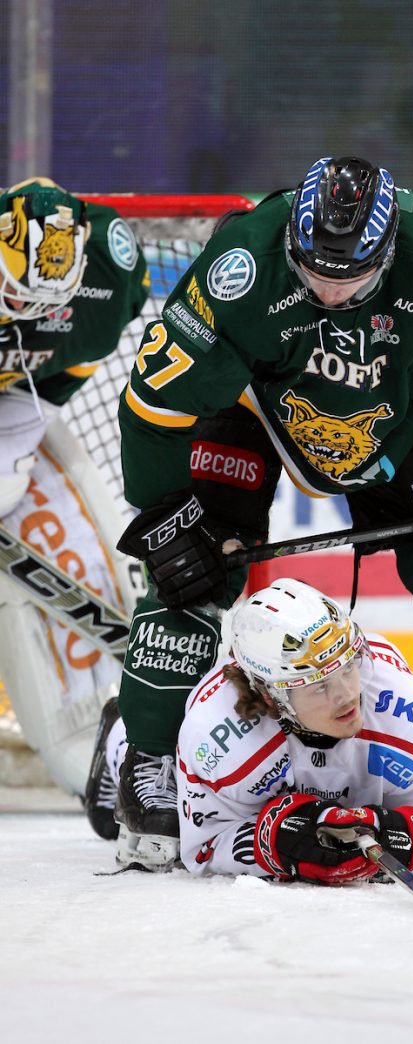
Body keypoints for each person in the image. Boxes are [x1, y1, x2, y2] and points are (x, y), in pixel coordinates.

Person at [113, 156, 413, 870]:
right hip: (250, 408)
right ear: (292, 241)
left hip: (392, 417)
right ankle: (147, 762)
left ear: (390, 250)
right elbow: (153, 405)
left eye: (352, 275)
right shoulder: (243, 266)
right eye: (314, 270)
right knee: (192, 569)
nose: (331, 289)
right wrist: (165, 518)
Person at [88, 578, 413, 878]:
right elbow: (200, 849)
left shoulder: (411, 713)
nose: (347, 696)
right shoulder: (217, 737)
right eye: (320, 685)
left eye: (349, 666)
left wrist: (401, 834)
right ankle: (118, 736)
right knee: (164, 834)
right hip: (225, 759)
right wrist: (273, 841)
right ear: (270, 697)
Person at [0, 177, 149, 794]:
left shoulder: (110, 267)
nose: (24, 310)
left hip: (23, 399)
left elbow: (89, 344)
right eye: (13, 293)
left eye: (40, 302)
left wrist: (29, 410)